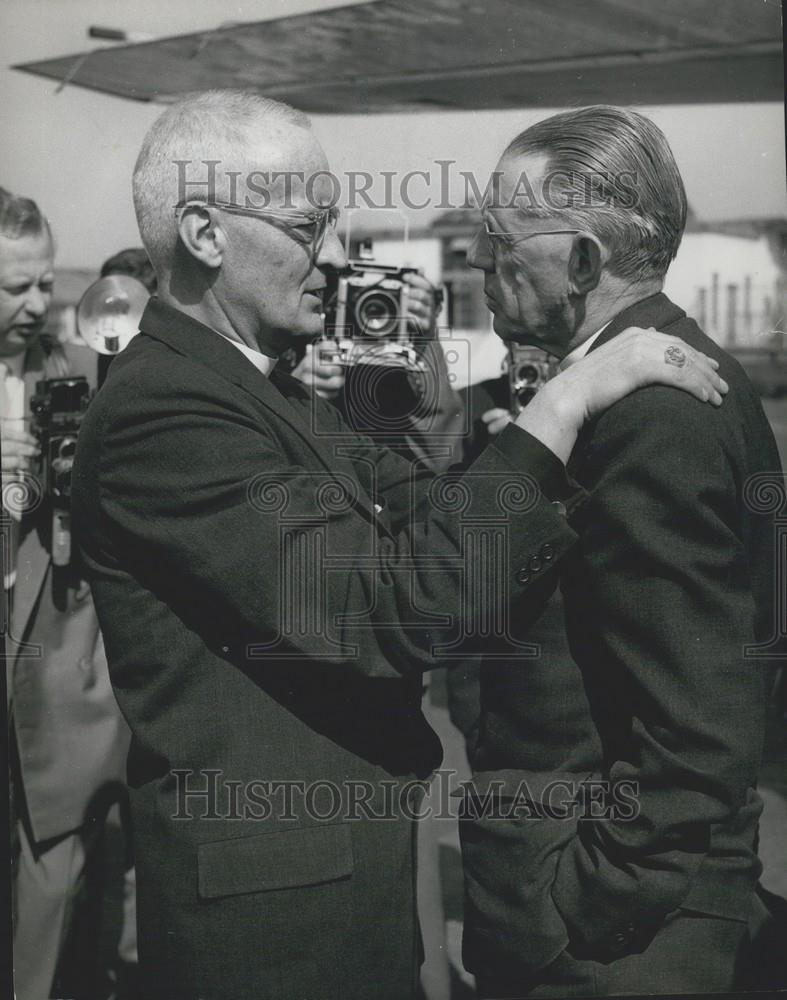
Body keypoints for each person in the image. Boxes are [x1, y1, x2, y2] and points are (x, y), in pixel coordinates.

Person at [70, 90, 726, 1000]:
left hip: (341, 885)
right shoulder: (163, 411)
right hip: (276, 926)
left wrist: (417, 372)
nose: (332, 256)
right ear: (204, 233)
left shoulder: (267, 389)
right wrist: (562, 403)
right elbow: (397, 608)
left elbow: (432, 516)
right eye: (307, 227)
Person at [458, 105, 783, 998]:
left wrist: (595, 900)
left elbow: (700, 716)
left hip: (622, 937)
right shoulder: (627, 382)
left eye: (495, 239)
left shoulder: (651, 413)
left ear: (582, 262)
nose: (478, 266)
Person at [1, 186, 130, 1000]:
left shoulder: (80, 373)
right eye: (15, 286)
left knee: (51, 907)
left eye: (46, 282)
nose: (40, 304)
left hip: (50, 706)